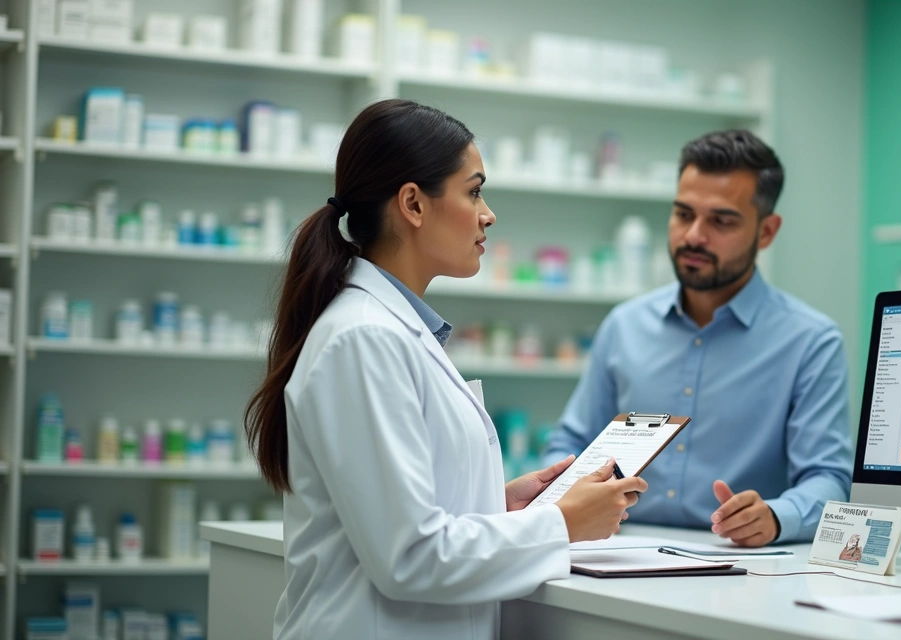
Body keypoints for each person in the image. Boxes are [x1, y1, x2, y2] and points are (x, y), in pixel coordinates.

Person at [244, 99, 647, 639]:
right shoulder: (365, 338)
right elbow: (410, 556)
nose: (488, 214)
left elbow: (401, 512)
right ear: (413, 203)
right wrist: (561, 523)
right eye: (474, 190)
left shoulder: (390, 329)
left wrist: (497, 504)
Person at [544, 130, 852, 547]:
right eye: (684, 214)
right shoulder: (624, 325)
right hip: (617, 550)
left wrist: (777, 518)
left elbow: (828, 478)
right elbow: (570, 445)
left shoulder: (810, 341)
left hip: (739, 566)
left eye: (721, 221)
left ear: (766, 232)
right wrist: (565, 501)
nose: (693, 236)